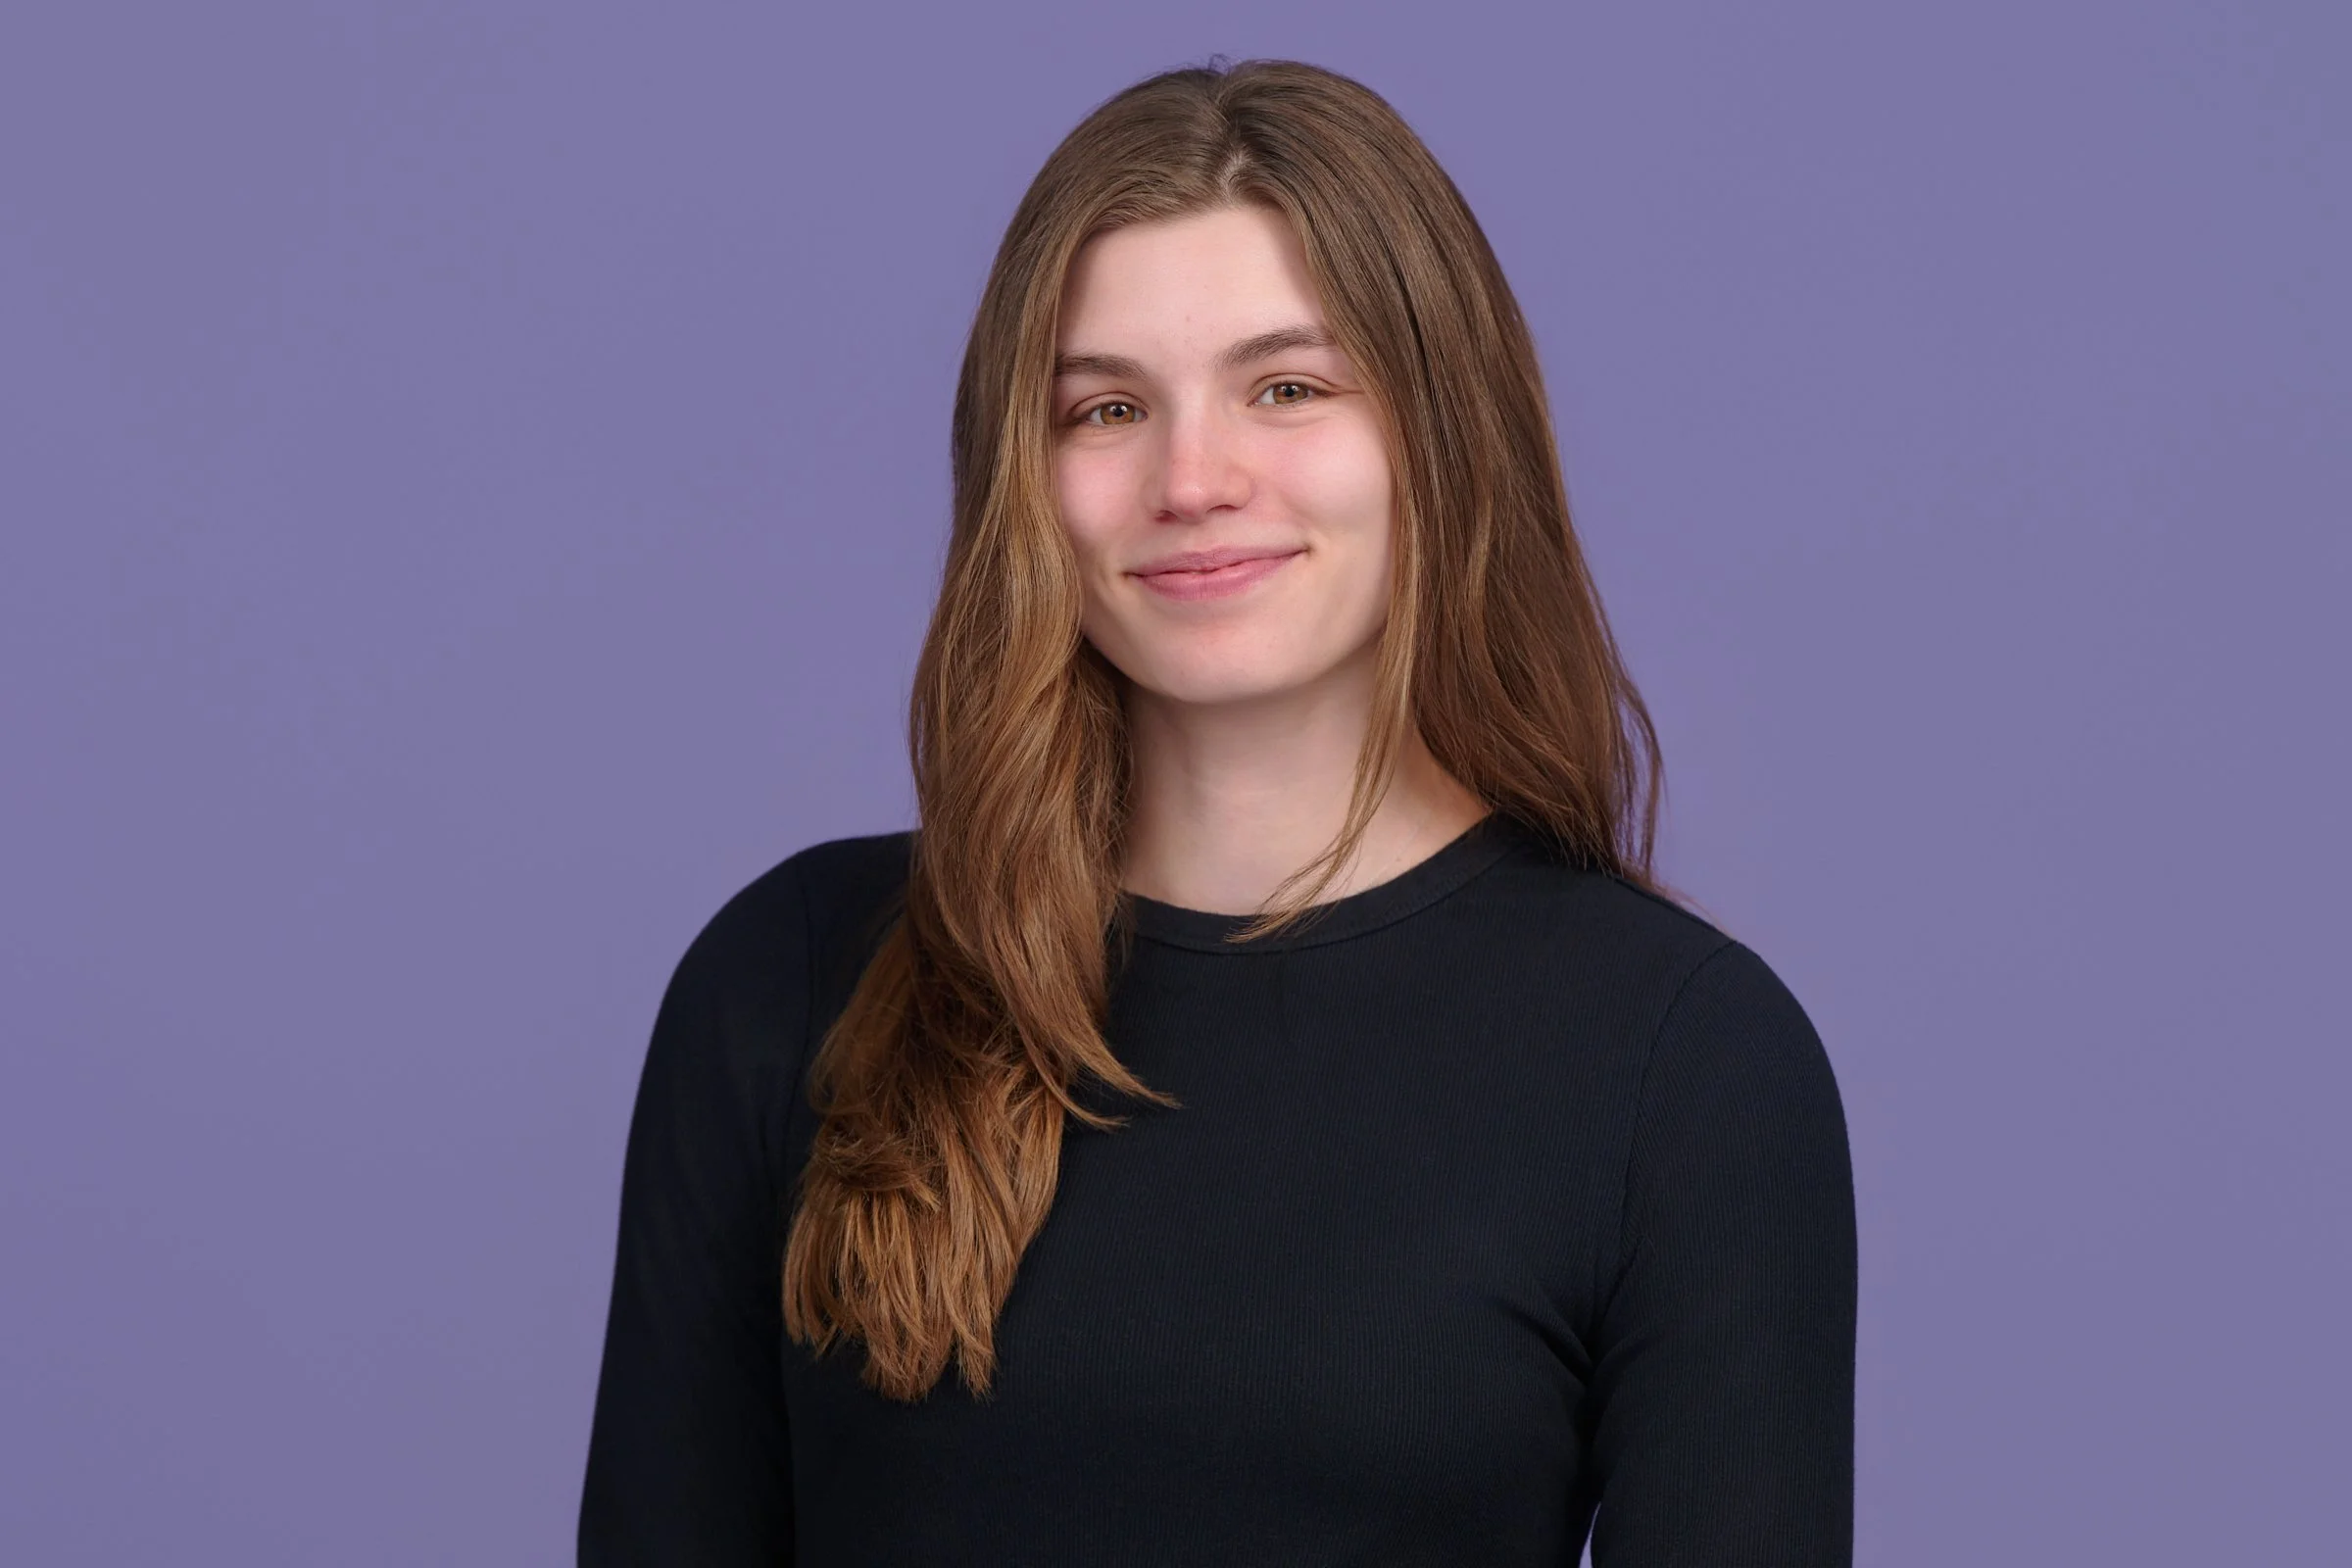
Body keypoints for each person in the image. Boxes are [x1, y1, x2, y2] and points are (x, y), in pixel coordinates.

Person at [578, 56, 1856, 1567]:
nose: (1193, 478)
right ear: (1023, 481)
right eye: (1107, 408)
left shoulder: (1683, 1064)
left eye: (1288, 388)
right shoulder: (793, 979)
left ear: (1442, 438)